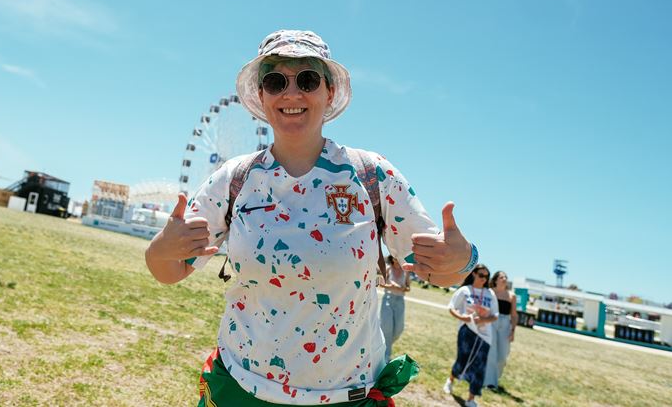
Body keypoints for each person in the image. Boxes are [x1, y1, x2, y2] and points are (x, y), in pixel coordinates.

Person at [145, 29, 478, 406]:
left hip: (344, 398)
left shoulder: (372, 176)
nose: (291, 94)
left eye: (307, 79)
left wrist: (464, 257)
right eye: (275, 81)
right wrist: (159, 249)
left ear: (329, 92)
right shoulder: (233, 180)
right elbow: (169, 270)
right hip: (242, 391)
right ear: (261, 95)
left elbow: (440, 269)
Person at [443, 264, 497, 407]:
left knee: (480, 366)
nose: (484, 279)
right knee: (462, 360)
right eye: (481, 275)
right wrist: (463, 318)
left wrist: (484, 319)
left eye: (486, 276)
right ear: (473, 274)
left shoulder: (490, 294)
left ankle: (471, 398)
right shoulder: (464, 291)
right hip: (467, 330)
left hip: (484, 336)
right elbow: (451, 308)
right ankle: (451, 380)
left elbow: (495, 315)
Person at [483, 271, 518, 391]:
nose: (504, 279)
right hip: (491, 321)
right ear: (496, 279)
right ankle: (490, 383)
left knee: (502, 356)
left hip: (505, 324)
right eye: (501, 277)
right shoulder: (489, 292)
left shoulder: (511, 296)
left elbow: (514, 315)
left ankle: (494, 378)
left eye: (506, 277)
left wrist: (513, 330)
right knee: (491, 353)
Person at [379, 255, 410, 361]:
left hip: (400, 301)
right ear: (392, 258)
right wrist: (391, 286)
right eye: (395, 257)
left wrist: (402, 288)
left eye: (399, 257)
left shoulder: (406, 271)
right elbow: (381, 284)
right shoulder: (388, 268)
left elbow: (408, 288)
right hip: (388, 299)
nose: (397, 260)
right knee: (387, 328)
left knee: (398, 330)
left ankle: (382, 344)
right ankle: (386, 356)